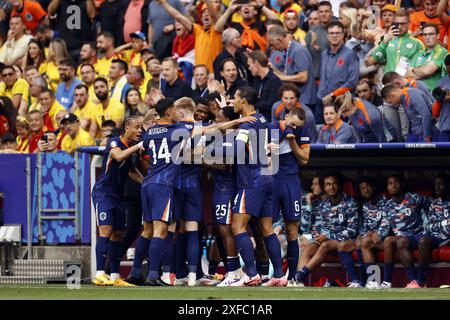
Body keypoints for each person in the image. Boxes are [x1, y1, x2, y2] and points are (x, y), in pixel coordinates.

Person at [224, 86, 285, 287]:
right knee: (267, 228)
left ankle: (250, 274)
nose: (233, 102)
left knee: (237, 226)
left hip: (251, 180)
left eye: (235, 98)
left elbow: (237, 151)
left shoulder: (246, 126)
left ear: (244, 101)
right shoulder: (262, 119)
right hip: (267, 178)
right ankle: (277, 275)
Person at [91, 116, 144, 286]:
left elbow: (131, 170)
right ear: (127, 128)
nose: (140, 131)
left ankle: (114, 276)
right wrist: (138, 146)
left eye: (141, 128)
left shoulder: (133, 150)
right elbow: (119, 156)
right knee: (105, 231)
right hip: (103, 193)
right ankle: (99, 273)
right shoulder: (114, 142)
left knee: (118, 235)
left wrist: (145, 183)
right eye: (136, 127)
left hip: (118, 196)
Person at [294, 172, 359, 287]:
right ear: (324, 187)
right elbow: (323, 228)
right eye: (328, 184)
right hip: (329, 241)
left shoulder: (350, 203)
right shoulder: (323, 205)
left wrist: (328, 236)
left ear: (339, 185)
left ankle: (300, 275)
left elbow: (352, 231)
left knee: (325, 245)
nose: (331, 187)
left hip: (347, 241)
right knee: (307, 248)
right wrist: (319, 238)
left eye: (334, 184)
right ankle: (299, 284)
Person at [270, 107, 310, 285]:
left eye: (297, 125)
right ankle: (271, 274)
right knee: (265, 227)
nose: (294, 127)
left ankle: (292, 276)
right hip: (271, 178)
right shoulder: (271, 127)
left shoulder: (302, 131)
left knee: (292, 228)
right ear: (286, 116)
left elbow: (304, 159)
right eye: (292, 123)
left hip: (290, 180)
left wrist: (292, 140)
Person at [380, 175, 427, 289]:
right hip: (401, 236)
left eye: (396, 182)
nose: (393, 185)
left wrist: (429, 225)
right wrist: (377, 234)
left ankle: (415, 280)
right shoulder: (387, 205)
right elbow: (385, 225)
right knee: (388, 240)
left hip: (417, 234)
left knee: (400, 242)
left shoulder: (414, 198)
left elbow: (432, 205)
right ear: (387, 187)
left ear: (402, 184)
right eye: (390, 183)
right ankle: (387, 282)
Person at [158, 0, 222, 73]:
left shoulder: (218, 31)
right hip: (199, 78)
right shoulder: (198, 30)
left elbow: (214, 15)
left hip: (214, 77)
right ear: (200, 18)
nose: (206, 14)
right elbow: (178, 16)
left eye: (208, 12)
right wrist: (163, 3)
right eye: (203, 12)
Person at [267, 25, 317, 114]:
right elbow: (288, 75)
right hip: (295, 100)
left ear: (279, 40)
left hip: (304, 101)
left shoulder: (298, 50)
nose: (273, 48)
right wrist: (274, 70)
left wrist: (281, 78)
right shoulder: (288, 50)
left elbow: (303, 77)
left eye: (272, 44)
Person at [365, 9, 424, 74]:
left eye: (403, 24)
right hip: (388, 81)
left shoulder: (417, 43)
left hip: (406, 81)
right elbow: (377, 58)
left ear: (408, 24)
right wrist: (384, 42)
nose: (400, 26)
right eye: (397, 24)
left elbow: (422, 65)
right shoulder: (388, 40)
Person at [416, 174, 450, 287]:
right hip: (436, 237)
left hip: (447, 237)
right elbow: (430, 226)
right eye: (436, 184)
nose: (437, 187)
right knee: (420, 240)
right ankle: (420, 283)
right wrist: (446, 222)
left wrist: (439, 224)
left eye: (441, 184)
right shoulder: (434, 203)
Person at [318, 21, 359, 108]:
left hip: (342, 103)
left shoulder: (350, 54)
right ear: (327, 36)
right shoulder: (324, 54)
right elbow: (322, 78)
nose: (334, 36)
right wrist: (321, 95)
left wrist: (333, 95)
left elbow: (352, 82)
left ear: (343, 35)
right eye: (331, 33)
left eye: (337, 33)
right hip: (322, 101)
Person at [407, 23, 448, 91]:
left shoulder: (441, 51)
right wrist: (422, 72)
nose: (427, 37)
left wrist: (413, 70)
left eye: (431, 34)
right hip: (418, 93)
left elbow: (427, 71)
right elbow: (407, 74)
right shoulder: (419, 53)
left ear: (438, 35)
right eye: (425, 34)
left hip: (434, 96)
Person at [247, 50, 282, 122]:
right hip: (258, 120)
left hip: (271, 123)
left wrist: (251, 103)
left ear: (256, 63)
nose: (249, 68)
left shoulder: (275, 80)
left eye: (249, 65)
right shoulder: (256, 79)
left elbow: (271, 105)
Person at [433, 54, 450, 141]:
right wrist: (439, 100)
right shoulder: (441, 82)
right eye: (448, 66)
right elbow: (435, 112)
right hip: (445, 125)